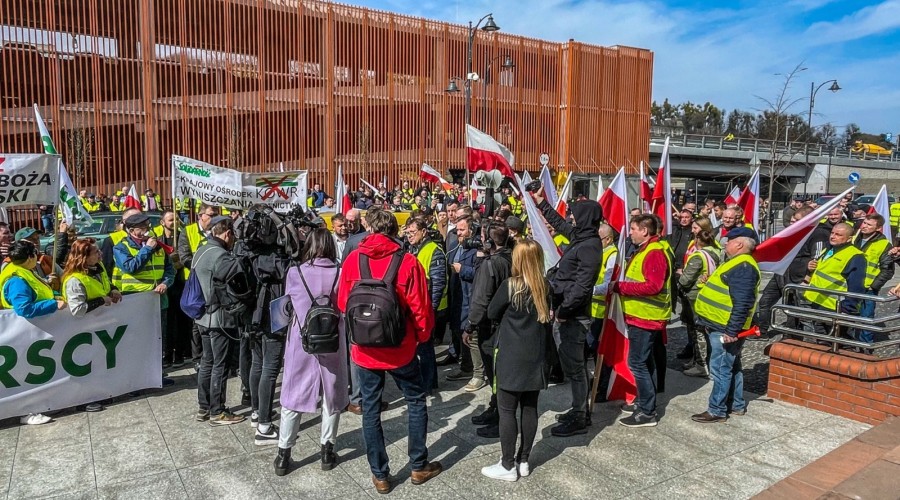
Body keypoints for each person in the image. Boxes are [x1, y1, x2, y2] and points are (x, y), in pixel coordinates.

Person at [336, 209, 441, 494]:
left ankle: (380, 474)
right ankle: (418, 465)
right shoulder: (408, 262)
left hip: (365, 350)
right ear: (396, 231)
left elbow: (344, 304)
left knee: (370, 409)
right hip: (401, 348)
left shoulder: (352, 261)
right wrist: (421, 338)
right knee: (416, 401)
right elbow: (421, 309)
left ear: (369, 230)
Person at [275, 228, 348, 475]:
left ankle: (283, 454)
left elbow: (286, 306)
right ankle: (327, 450)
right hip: (332, 338)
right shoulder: (341, 271)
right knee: (332, 396)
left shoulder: (295, 272)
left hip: (301, 340)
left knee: (292, 396)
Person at [531, 185, 603, 437]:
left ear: (585, 218)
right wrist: (540, 202)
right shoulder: (582, 237)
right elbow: (559, 224)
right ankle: (577, 408)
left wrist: (562, 311)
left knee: (575, 367)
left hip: (573, 317)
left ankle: (580, 415)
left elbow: (583, 287)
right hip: (566, 313)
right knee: (572, 365)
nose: (571, 217)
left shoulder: (590, 247)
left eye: (574, 214)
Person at [481, 239, 550, 481]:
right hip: (536, 357)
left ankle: (507, 464)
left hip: (511, 356)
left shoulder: (511, 286)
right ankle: (524, 460)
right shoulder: (545, 286)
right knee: (530, 409)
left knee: (507, 410)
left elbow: (491, 312)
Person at [691, 228, 760, 422]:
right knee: (732, 366)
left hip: (724, 328)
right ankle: (736, 404)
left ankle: (717, 410)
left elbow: (743, 301)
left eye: (728, 240)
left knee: (721, 368)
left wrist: (732, 331)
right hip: (721, 324)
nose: (724, 243)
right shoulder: (737, 263)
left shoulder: (743, 266)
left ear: (739, 244)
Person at [614, 214, 671, 428]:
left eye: (633, 229)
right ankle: (644, 401)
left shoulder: (654, 252)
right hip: (642, 315)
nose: (630, 233)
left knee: (636, 363)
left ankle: (647, 411)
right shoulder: (647, 249)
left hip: (647, 316)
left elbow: (653, 286)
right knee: (644, 362)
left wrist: (622, 287)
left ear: (645, 231)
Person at [0, 240, 67, 425]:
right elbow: (24, 309)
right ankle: (27, 411)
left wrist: (53, 294)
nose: (37, 257)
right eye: (35, 254)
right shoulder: (16, 279)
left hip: (36, 331)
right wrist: (53, 305)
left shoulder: (23, 271)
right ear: (30, 257)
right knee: (27, 372)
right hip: (25, 333)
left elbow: (38, 292)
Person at [192, 216, 248, 426]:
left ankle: (204, 408)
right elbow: (233, 287)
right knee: (220, 364)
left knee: (207, 362)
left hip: (202, 317)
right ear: (226, 233)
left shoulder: (201, 249)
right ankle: (217, 411)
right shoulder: (221, 256)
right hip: (219, 318)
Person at [113, 212, 176, 387]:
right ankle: (135, 380)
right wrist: (147, 249)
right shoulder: (121, 247)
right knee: (135, 341)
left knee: (157, 340)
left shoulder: (157, 245)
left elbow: (170, 270)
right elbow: (130, 268)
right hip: (135, 301)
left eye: (148, 227)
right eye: (143, 228)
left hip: (157, 300)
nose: (147, 231)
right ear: (131, 230)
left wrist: (165, 283)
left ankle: (156, 376)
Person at [61, 238, 123, 412]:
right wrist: (101, 300)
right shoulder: (75, 280)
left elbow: (104, 284)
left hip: (100, 326)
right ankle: (84, 400)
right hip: (81, 330)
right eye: (96, 252)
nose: (100, 253)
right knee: (84, 364)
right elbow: (77, 309)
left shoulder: (98, 267)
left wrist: (112, 289)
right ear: (84, 257)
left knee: (100, 361)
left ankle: (100, 393)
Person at [465, 223, 514, 439]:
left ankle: (499, 417)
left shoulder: (492, 264)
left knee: (495, 373)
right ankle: (494, 407)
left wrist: (470, 325)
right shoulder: (513, 258)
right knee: (497, 373)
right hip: (505, 324)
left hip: (490, 325)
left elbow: (481, 299)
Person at [803, 222, 866, 338]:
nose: (833, 236)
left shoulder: (855, 256)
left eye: (838, 234)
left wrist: (847, 309)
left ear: (849, 238)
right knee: (821, 339)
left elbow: (857, 286)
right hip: (818, 302)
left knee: (841, 342)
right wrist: (812, 267)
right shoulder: (829, 248)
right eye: (832, 233)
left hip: (836, 307)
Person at [406, 217, 447, 396]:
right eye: (407, 233)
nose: (409, 236)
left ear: (424, 231)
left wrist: (432, 307)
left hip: (430, 307)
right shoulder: (413, 249)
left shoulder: (434, 250)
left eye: (413, 232)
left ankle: (428, 383)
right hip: (418, 307)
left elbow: (438, 283)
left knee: (425, 348)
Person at [179, 203, 220, 366]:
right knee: (197, 321)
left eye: (215, 214)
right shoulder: (187, 231)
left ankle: (215, 355)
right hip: (195, 282)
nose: (213, 218)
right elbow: (184, 256)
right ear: (200, 216)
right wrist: (204, 267)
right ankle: (198, 359)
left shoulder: (218, 230)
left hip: (215, 281)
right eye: (210, 215)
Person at [676, 224, 720, 378]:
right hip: (707, 294)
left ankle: (701, 365)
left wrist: (680, 275)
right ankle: (697, 360)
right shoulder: (717, 252)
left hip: (694, 297)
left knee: (697, 332)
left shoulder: (698, 256)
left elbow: (686, 280)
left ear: (697, 241)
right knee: (701, 331)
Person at [853, 214, 894, 345]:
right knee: (849, 316)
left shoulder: (883, 244)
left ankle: (866, 345)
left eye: (869, 225)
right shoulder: (854, 239)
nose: (864, 226)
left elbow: (888, 269)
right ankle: (850, 343)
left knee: (866, 317)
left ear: (878, 228)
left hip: (868, 288)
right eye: (864, 223)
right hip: (850, 285)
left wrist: (874, 286)